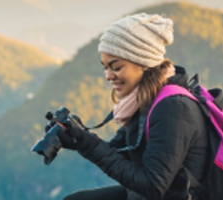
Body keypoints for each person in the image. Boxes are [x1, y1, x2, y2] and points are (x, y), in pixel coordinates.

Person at [52, 13, 212, 200]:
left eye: (116, 67)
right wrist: (78, 139)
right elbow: (120, 151)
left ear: (144, 63)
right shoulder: (145, 100)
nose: (108, 76)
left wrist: (89, 146)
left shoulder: (173, 108)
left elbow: (153, 186)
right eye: (105, 67)